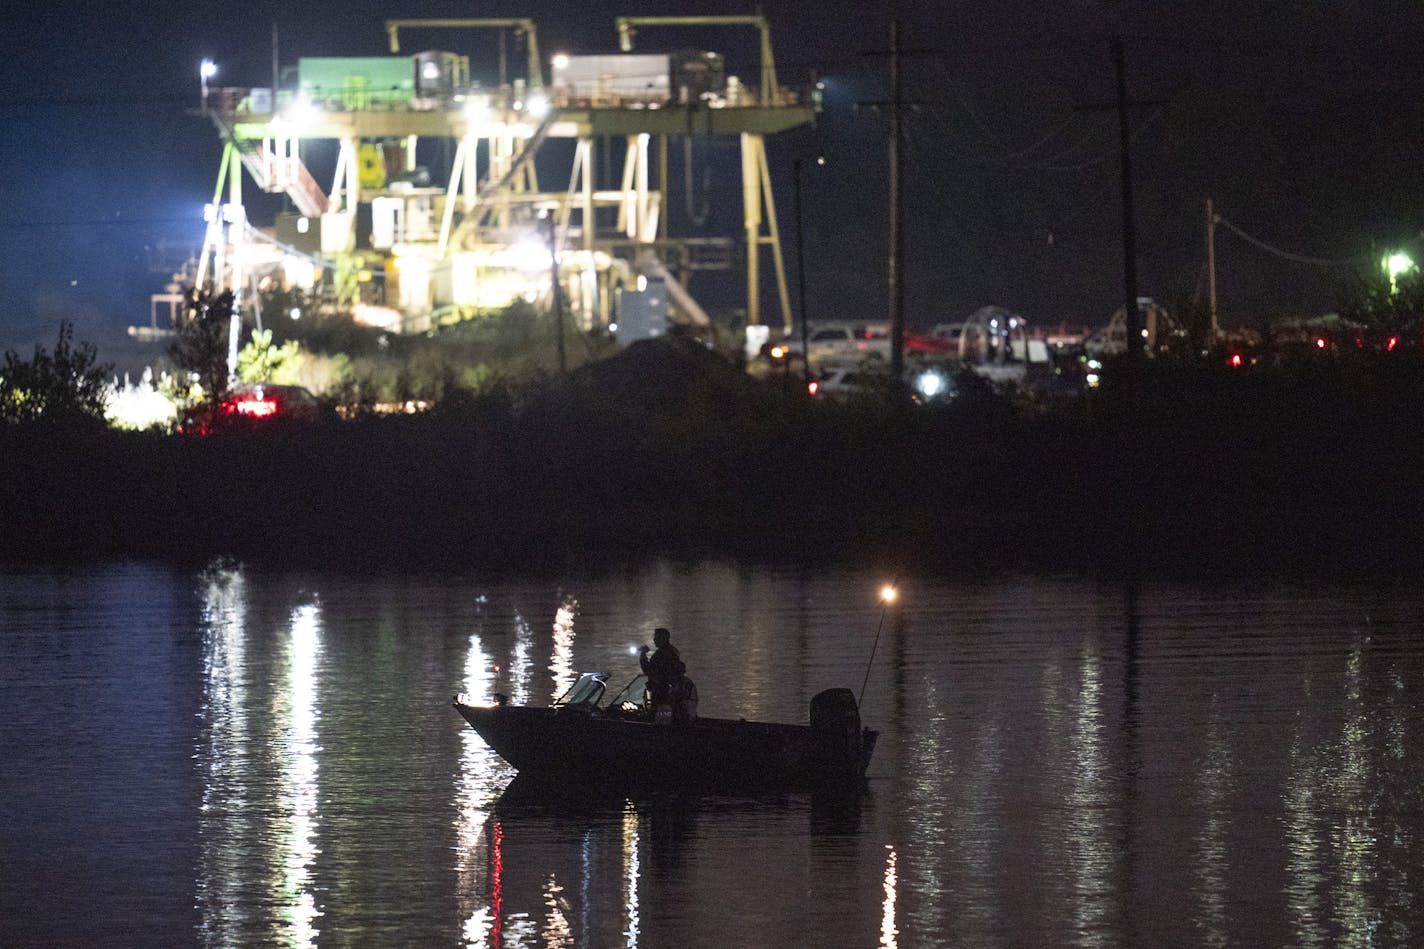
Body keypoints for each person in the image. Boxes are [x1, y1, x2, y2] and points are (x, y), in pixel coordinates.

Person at [640, 627, 688, 723]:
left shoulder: (662, 654)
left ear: (664, 638)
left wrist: (643, 655)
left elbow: (648, 670)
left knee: (656, 716)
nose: (654, 640)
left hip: (661, 692)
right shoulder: (672, 652)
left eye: (657, 638)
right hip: (670, 692)